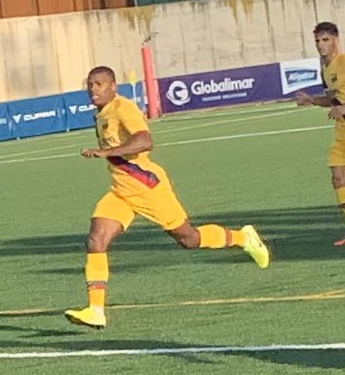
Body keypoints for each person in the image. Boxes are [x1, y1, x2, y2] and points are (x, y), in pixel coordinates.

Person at [64, 66, 269, 330]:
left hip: (147, 187)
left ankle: (243, 237)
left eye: (99, 84)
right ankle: (95, 310)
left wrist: (108, 152)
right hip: (121, 191)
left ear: (113, 86)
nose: (93, 89)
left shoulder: (122, 107)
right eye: (90, 84)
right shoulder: (102, 113)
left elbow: (145, 141)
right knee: (96, 239)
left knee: (189, 239)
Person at [295, 21, 345, 245]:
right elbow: (332, 99)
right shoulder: (325, 68)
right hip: (342, 130)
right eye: (317, 40)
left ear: (336, 40)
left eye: (325, 39)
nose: (320, 44)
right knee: (337, 177)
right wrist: (312, 100)